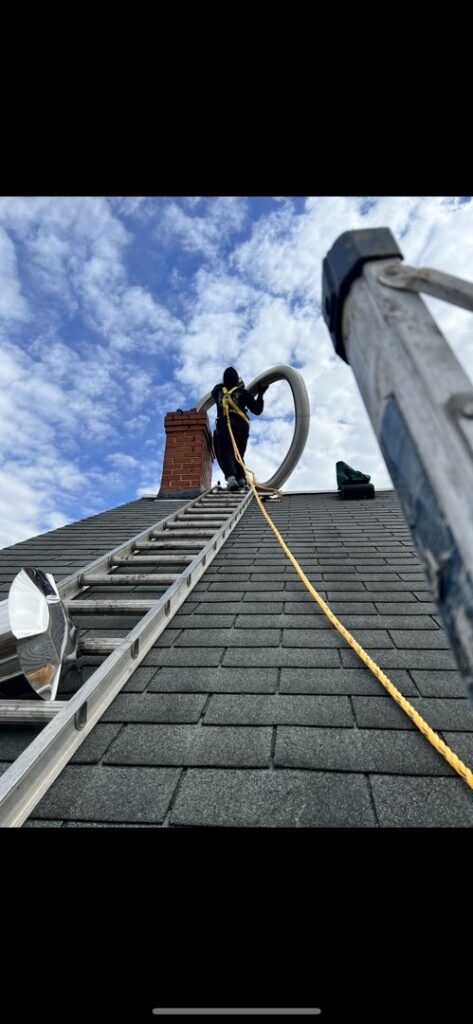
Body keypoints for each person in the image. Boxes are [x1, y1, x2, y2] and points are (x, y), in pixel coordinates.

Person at [212, 367, 268, 490]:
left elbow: (215, 391)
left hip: (225, 423)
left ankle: (231, 478)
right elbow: (257, 410)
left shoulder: (217, 391)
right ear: (237, 380)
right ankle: (241, 479)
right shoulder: (243, 393)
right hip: (242, 425)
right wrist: (260, 394)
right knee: (239, 453)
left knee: (226, 451)